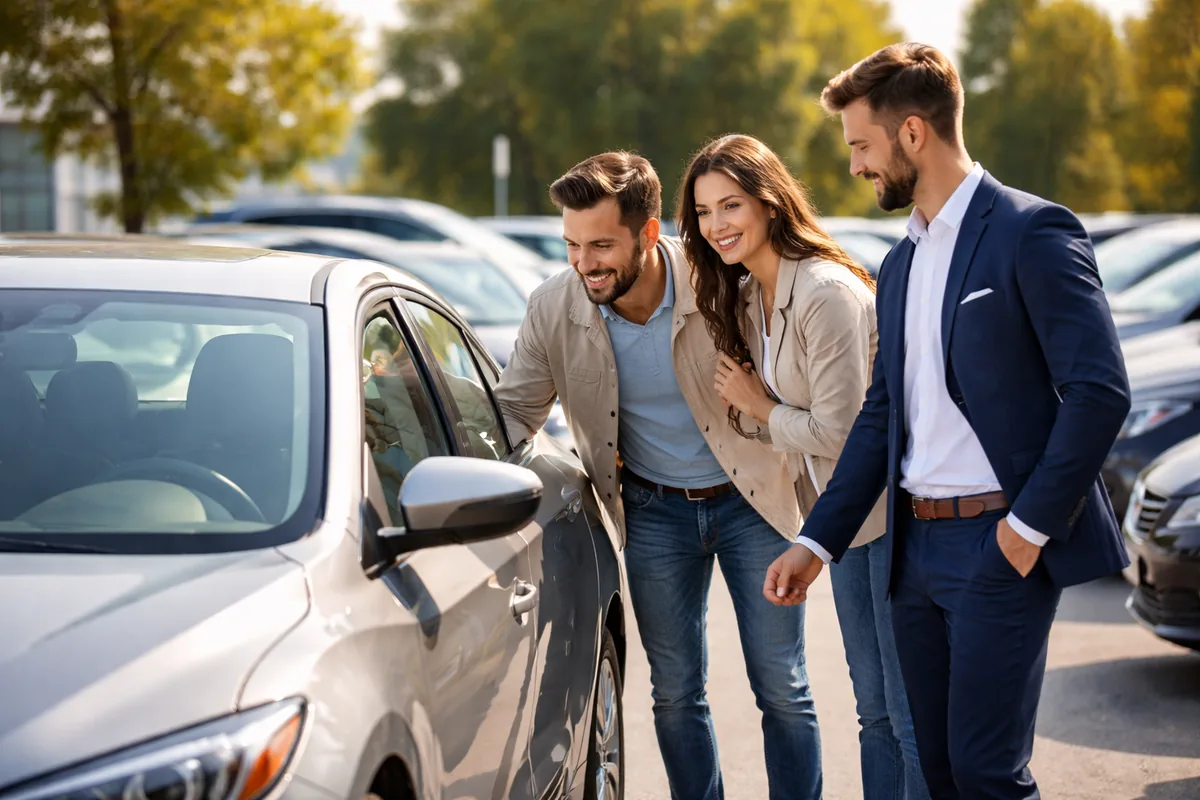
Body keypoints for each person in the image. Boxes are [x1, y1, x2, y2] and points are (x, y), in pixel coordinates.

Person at [763, 43, 1131, 800]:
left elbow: (1099, 392)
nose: (857, 167)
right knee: (934, 771)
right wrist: (816, 542)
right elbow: (882, 416)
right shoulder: (899, 264)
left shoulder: (1032, 231)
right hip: (913, 553)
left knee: (987, 774)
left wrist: (1026, 531)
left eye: (862, 146)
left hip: (1000, 546)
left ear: (912, 135)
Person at [493, 151, 822, 800]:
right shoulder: (554, 307)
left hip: (751, 503)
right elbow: (511, 417)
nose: (585, 262)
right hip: (652, 514)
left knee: (782, 685)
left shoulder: (719, 281)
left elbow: (802, 375)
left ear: (647, 234)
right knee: (674, 693)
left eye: (601, 245)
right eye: (572, 245)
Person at [679, 132, 929, 800]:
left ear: (768, 201)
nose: (716, 225)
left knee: (905, 719)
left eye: (730, 205)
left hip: (889, 515)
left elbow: (848, 435)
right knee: (873, 712)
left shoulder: (823, 291)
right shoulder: (744, 292)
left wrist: (761, 408)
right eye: (704, 212)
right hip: (843, 523)